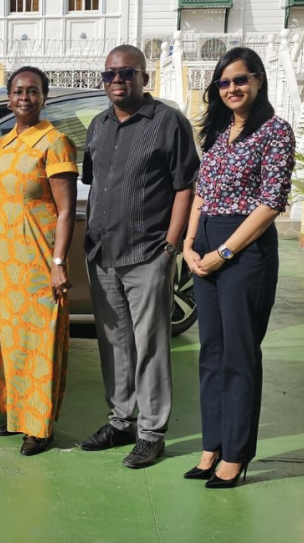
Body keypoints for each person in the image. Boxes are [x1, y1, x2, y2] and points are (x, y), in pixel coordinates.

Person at [78, 45, 200, 469]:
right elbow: (93, 185)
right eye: (109, 74)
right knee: (113, 344)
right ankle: (120, 420)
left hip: (148, 252)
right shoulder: (97, 125)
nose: (116, 80)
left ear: (143, 77)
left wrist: (171, 245)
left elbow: (186, 186)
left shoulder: (168, 123)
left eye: (126, 73)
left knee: (150, 346)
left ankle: (151, 432)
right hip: (103, 253)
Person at [182, 47, 294, 488]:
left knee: (240, 354)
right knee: (211, 351)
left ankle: (237, 453)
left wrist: (223, 252)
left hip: (244, 250)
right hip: (205, 241)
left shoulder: (275, 132)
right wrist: (190, 244)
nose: (232, 89)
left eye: (240, 80)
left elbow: (270, 203)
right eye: (224, 83)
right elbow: (201, 193)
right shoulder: (221, 130)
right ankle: (212, 446)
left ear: (259, 80)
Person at [0, 67, 78, 456]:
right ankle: (15, 416)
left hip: (37, 260)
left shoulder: (56, 142)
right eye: (18, 91)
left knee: (39, 341)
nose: (24, 98)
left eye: (33, 91)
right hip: (4, 262)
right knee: (9, 341)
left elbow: (66, 211)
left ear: (44, 97)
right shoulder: (0, 146)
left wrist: (58, 262)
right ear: (8, 98)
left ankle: (40, 425)